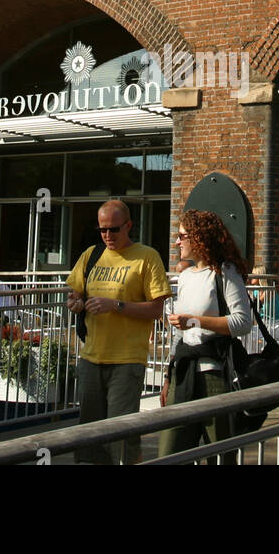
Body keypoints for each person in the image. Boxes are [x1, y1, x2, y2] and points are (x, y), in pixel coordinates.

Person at [65, 199, 170, 464]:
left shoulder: (147, 256)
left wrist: (116, 305)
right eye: (102, 230)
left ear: (129, 226)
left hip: (126, 359)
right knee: (89, 436)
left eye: (114, 229)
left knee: (121, 436)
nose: (108, 236)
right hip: (91, 357)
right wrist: (75, 303)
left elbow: (157, 310)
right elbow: (74, 293)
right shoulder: (91, 255)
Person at [157, 210, 253, 462]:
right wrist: (169, 375)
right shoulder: (186, 276)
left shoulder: (224, 272)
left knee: (219, 453)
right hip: (183, 373)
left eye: (181, 236)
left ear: (199, 237)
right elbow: (180, 335)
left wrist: (197, 321)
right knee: (170, 451)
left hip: (215, 375)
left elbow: (243, 322)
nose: (177, 242)